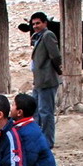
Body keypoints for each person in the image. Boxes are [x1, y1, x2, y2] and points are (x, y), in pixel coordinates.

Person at [28, 11, 62, 148]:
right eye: (33, 24)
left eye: (38, 23)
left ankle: (48, 142)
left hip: (47, 80)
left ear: (45, 23)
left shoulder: (48, 35)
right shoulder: (38, 37)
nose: (35, 26)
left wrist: (59, 71)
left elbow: (55, 56)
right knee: (35, 111)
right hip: (39, 81)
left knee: (45, 112)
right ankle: (38, 139)